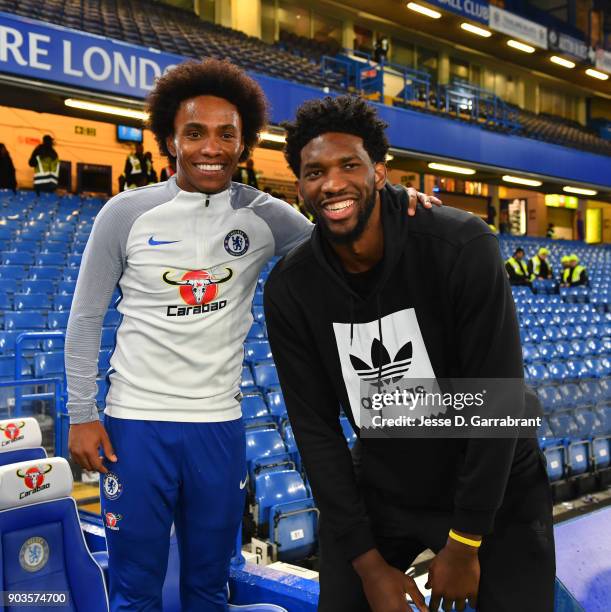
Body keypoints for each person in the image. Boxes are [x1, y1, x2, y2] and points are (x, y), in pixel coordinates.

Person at [65, 60, 441, 611]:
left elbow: (341, 241)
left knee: (210, 585)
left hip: (218, 428)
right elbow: (85, 319)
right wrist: (81, 411)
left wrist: (393, 198)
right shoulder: (125, 214)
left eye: (226, 135)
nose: (210, 147)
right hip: (135, 427)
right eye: (195, 133)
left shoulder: (269, 217)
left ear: (245, 145)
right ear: (170, 138)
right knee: (133, 586)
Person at [264, 95, 555, 612]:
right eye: (315, 172)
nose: (332, 183)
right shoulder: (292, 286)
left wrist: (465, 541)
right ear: (300, 186)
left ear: (380, 171)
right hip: (386, 476)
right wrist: (368, 564)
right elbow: (316, 431)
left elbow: (501, 399)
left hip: (494, 476)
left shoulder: (461, 245)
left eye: (349, 165)